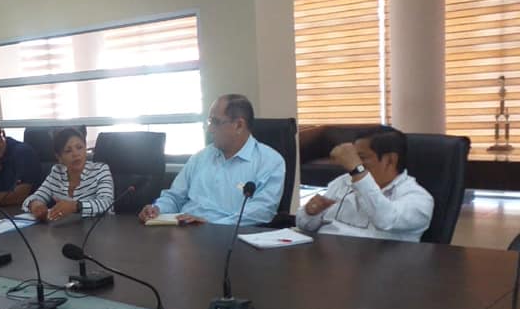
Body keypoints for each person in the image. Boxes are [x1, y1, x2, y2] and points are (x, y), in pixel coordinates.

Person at [139, 94, 286, 226]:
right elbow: (174, 197)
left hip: (231, 237)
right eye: (210, 122)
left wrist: (211, 225)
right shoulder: (200, 157)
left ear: (239, 125)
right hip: (186, 232)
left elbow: (261, 212)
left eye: (215, 122)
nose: (210, 129)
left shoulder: (270, 162)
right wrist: (157, 208)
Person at [296, 129, 433, 242]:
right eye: (354, 158)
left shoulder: (418, 199)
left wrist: (358, 171)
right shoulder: (343, 182)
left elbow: (386, 220)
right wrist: (310, 213)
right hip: (323, 255)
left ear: (390, 160)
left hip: (372, 262)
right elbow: (305, 226)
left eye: (361, 158)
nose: (353, 163)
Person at [22, 128, 114, 221]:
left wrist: (76, 206)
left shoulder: (100, 170)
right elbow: (34, 198)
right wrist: (35, 205)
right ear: (59, 157)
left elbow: (107, 204)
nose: (76, 154)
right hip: (66, 228)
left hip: (100, 227)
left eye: (79, 147)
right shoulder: (57, 173)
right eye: (68, 151)